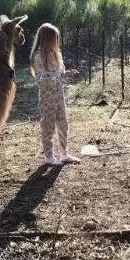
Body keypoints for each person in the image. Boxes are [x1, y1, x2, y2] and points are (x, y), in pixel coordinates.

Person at [29, 23, 80, 165]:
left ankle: (64, 154)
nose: (56, 42)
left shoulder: (56, 55)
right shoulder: (38, 56)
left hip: (59, 96)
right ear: (45, 39)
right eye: (54, 38)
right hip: (47, 98)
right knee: (48, 126)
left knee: (63, 124)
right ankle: (49, 156)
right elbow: (40, 77)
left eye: (57, 38)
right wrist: (50, 78)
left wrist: (68, 73)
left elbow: (60, 74)